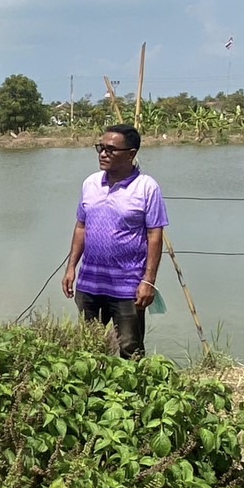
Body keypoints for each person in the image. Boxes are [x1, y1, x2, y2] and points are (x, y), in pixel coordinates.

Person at [61, 124, 168, 360]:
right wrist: (71, 268)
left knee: (130, 350)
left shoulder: (146, 188)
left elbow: (155, 235)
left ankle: (132, 394)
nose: (103, 154)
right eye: (100, 148)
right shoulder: (90, 184)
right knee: (88, 349)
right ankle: (94, 393)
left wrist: (148, 281)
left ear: (131, 154)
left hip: (128, 286)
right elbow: (81, 226)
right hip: (90, 283)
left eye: (111, 149)